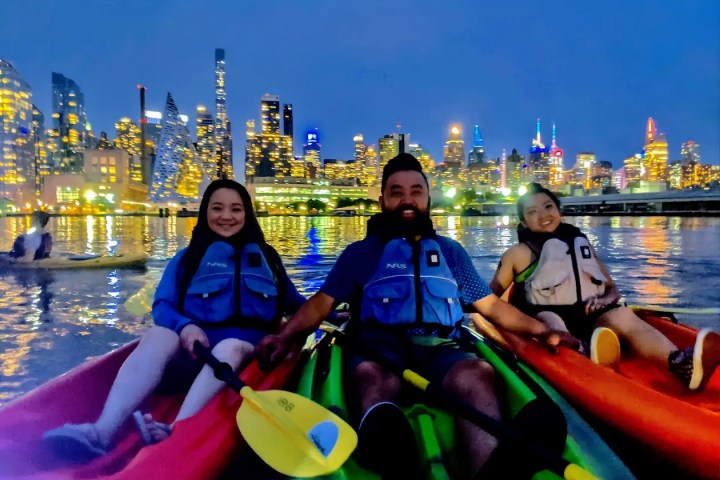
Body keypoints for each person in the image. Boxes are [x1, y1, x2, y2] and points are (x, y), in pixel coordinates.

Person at [256, 154, 578, 478]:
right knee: (371, 375)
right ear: (382, 200)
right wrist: (285, 337)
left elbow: (491, 306)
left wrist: (542, 330)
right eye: (396, 193)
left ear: (427, 197)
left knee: (477, 374)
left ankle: (491, 471)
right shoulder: (361, 253)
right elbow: (320, 305)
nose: (406, 200)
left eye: (415, 191)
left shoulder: (450, 252)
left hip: (441, 350)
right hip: (379, 350)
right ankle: (391, 455)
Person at [44, 179, 306, 458]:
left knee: (229, 345)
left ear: (247, 214)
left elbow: (295, 304)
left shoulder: (268, 259)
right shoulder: (187, 259)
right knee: (159, 334)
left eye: (236, 209)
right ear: (205, 212)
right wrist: (186, 327)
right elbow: (163, 306)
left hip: (242, 360)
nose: (226, 216)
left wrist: (333, 310)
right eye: (217, 208)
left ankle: (175, 430)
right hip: (194, 357)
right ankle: (102, 431)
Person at [489, 182, 720, 391]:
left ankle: (680, 364)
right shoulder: (518, 254)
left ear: (559, 210)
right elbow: (489, 298)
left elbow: (611, 288)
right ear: (523, 222)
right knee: (551, 319)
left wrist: (606, 299)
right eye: (532, 212)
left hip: (590, 315)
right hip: (550, 320)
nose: (543, 215)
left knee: (621, 315)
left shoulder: (581, 243)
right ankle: (584, 355)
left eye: (548, 207)